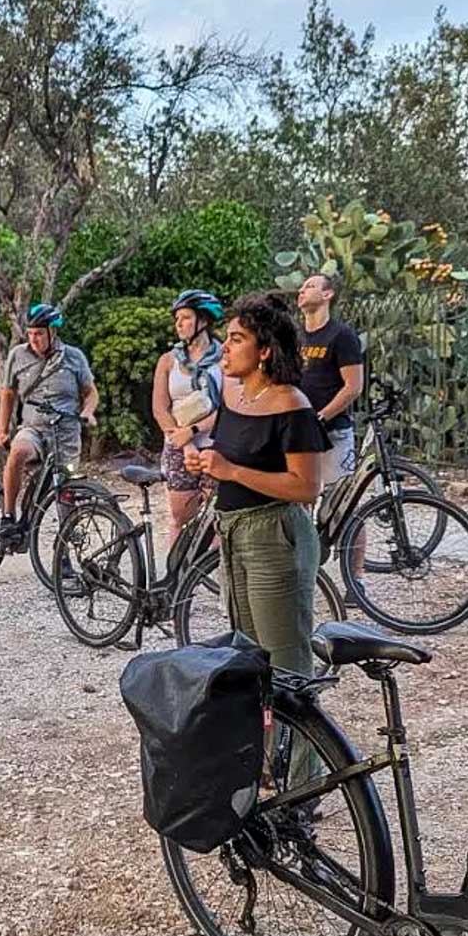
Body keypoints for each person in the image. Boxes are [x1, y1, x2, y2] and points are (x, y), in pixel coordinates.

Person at [185, 292, 330, 685]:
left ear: (264, 351)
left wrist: (230, 470)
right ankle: (266, 746)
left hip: (275, 536)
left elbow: (306, 487)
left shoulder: (291, 405)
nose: (225, 347)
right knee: (249, 657)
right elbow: (226, 454)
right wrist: (202, 459)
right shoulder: (234, 395)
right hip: (233, 532)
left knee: (284, 663)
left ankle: (303, 747)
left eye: (236, 339)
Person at [0, 304, 98, 539]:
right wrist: (2, 430)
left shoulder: (73, 357)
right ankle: (8, 516)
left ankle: (66, 551)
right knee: (18, 452)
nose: (33, 339)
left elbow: (90, 392)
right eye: (30, 333)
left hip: (65, 432)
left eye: (39, 333)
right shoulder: (18, 355)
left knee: (66, 490)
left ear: (52, 332)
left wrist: (88, 412)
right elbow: (7, 393)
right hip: (33, 427)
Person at [152, 289, 225, 544]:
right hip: (178, 444)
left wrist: (195, 431)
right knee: (180, 516)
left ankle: (216, 575)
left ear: (202, 321)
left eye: (184, 318)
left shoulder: (225, 358)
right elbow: (161, 409)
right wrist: (186, 443)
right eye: (177, 319)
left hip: (217, 442)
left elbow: (229, 404)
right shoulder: (168, 360)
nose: (178, 324)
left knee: (219, 517)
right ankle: (176, 577)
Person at [296, 273, 364, 486]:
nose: (301, 290)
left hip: (333, 431)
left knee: (335, 504)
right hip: (298, 432)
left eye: (310, 286)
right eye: (302, 287)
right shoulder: (296, 336)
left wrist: (322, 417)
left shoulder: (341, 335)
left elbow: (353, 386)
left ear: (327, 293)